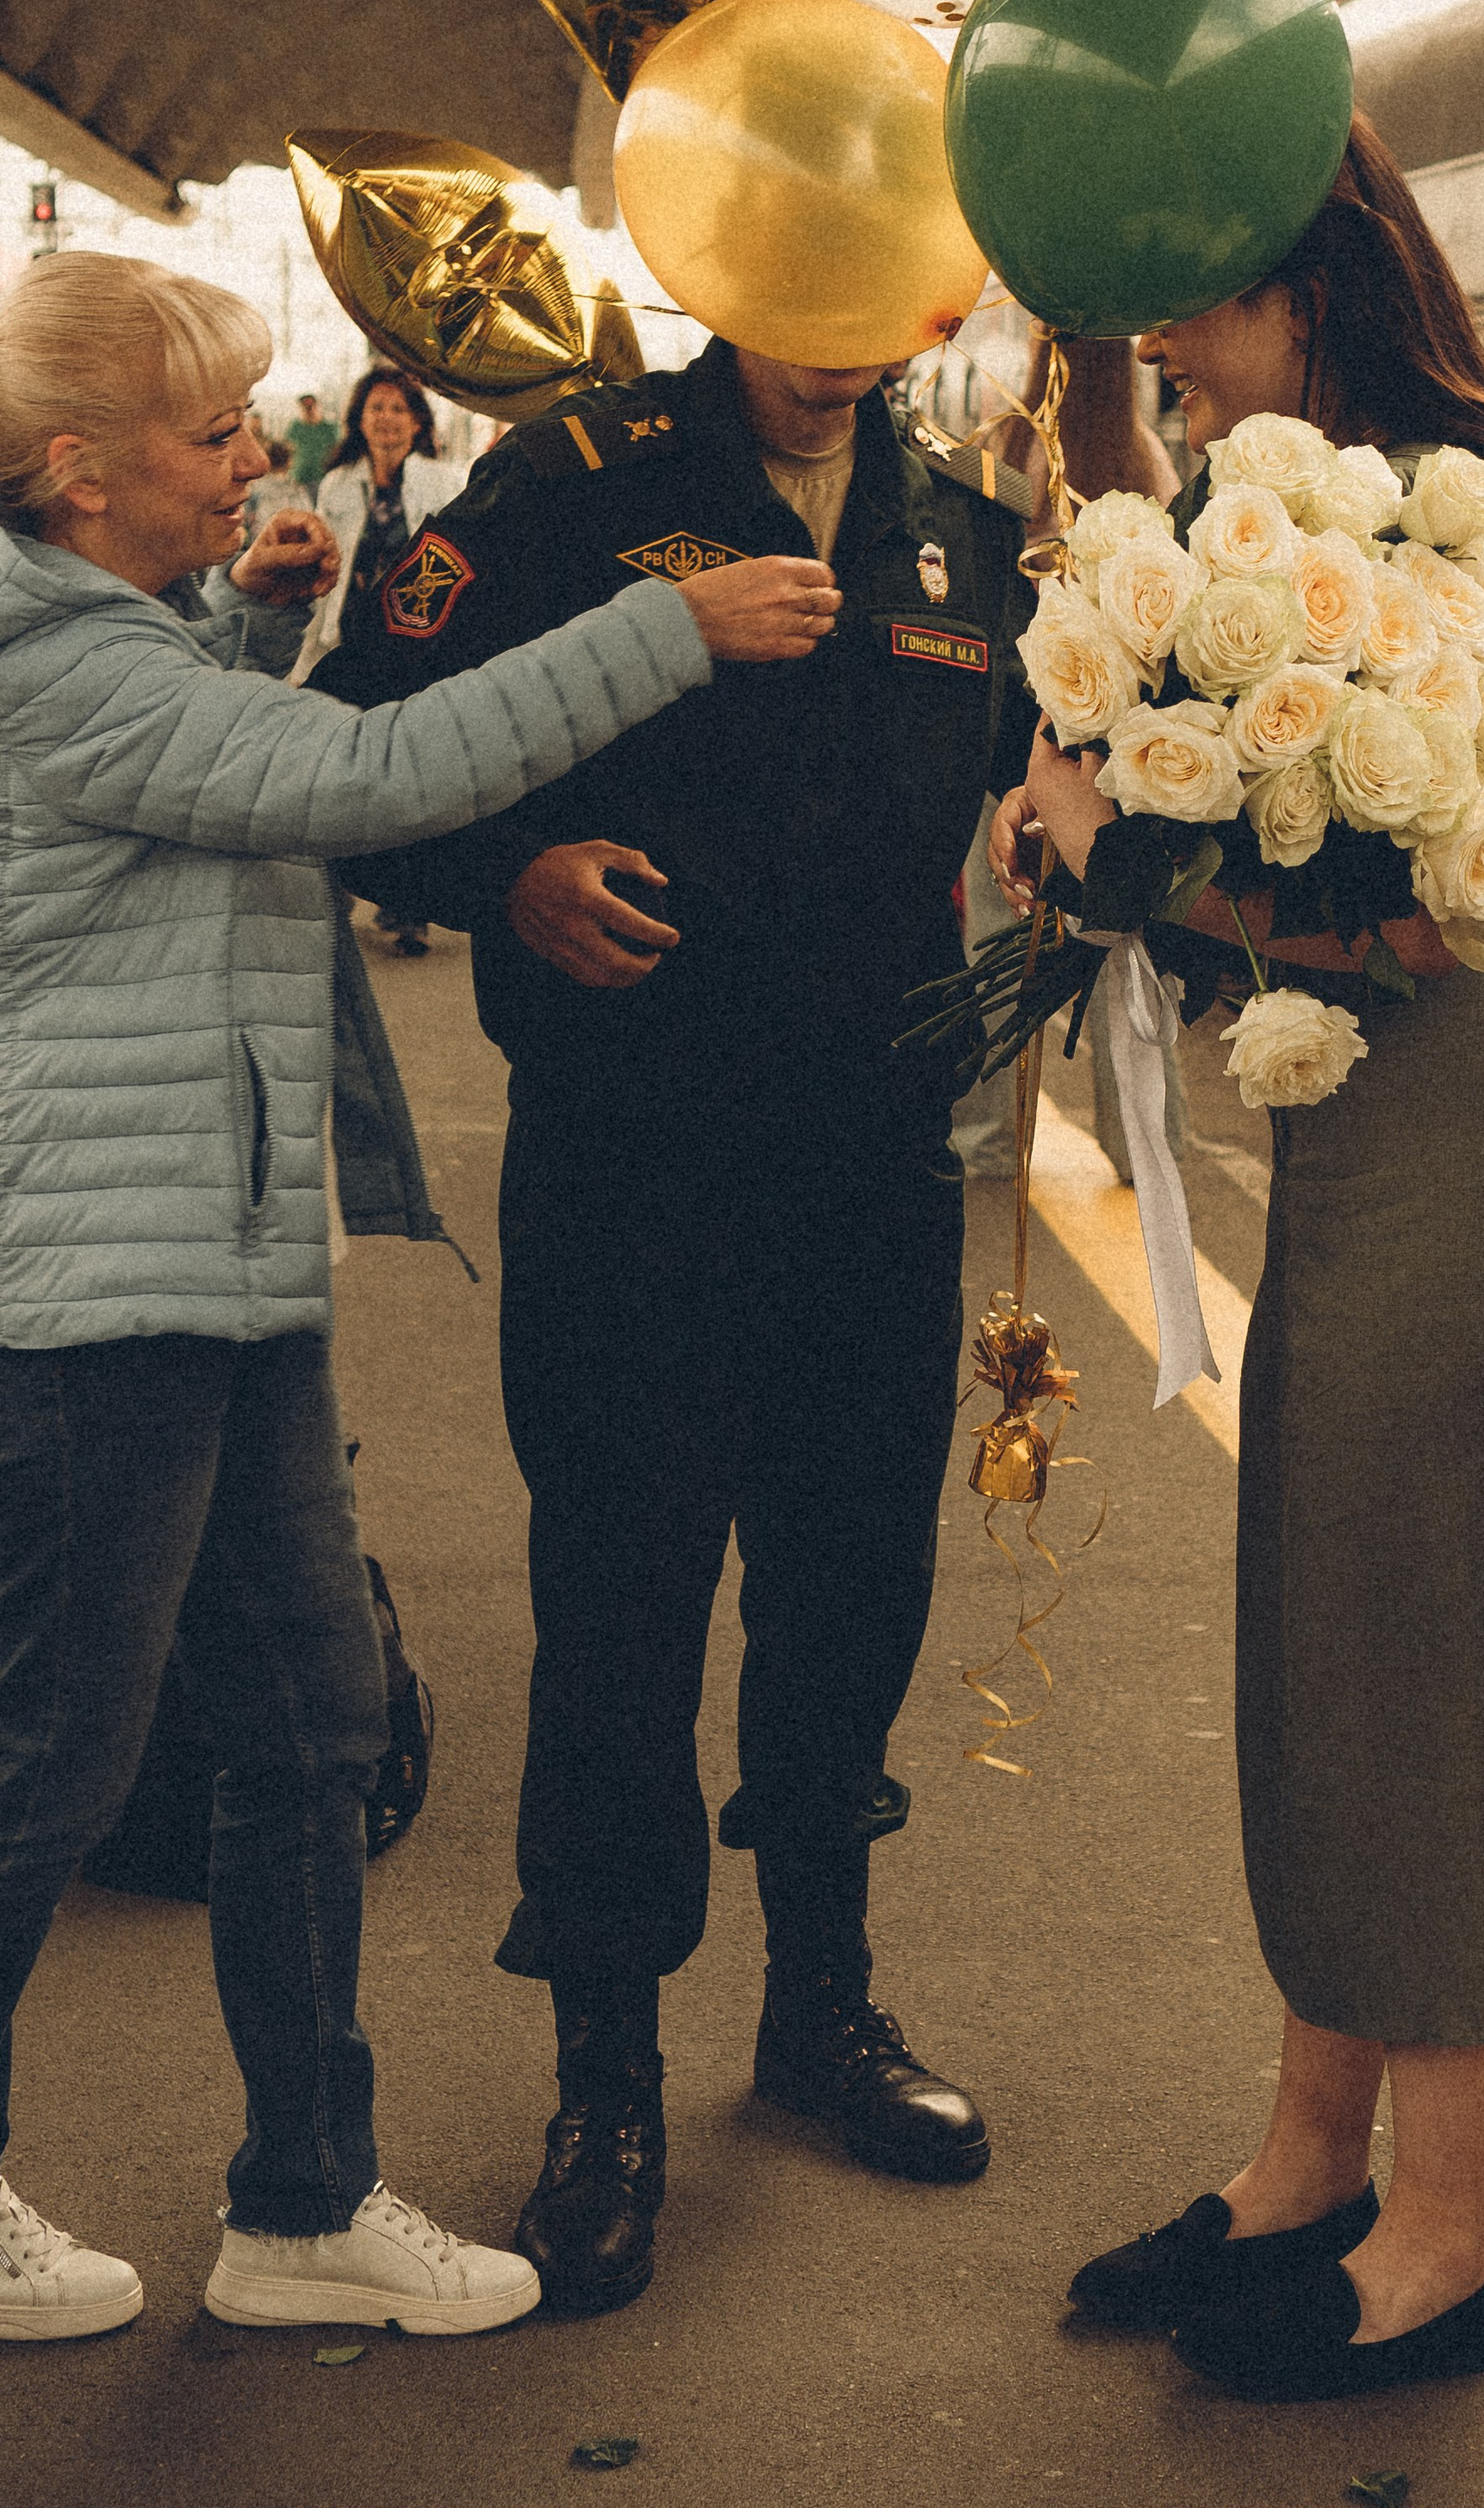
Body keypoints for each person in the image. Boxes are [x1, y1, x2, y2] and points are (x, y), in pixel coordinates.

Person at [992, 118, 1484, 2402]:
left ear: (1305, 296)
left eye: (1199, 330)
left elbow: (1468, 897)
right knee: (1353, 1634)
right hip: (1392, 1145)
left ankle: (1440, 2247)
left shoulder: (1450, 521)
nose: (1183, 377)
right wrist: (1118, 798)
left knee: (1441, 1652)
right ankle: (1303, 2167)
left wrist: (1120, 860)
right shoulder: (1327, 498)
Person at [0, 251, 839, 2343]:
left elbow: (207, 766)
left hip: (224, 1253)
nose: (255, 455)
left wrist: (264, 611)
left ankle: (302, 2199)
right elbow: (361, 785)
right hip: (107, 1292)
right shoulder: (54, 665)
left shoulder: (107, 626)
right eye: (214, 433)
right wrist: (666, 626)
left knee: (312, 1723)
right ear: (79, 469)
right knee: (59, 1755)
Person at [313, 331, 1038, 2318]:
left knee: (846, 1600)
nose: (842, 347)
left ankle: (819, 2011)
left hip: (875, 1176)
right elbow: (355, 754)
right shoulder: (564, 480)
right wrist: (500, 869)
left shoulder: (960, 530)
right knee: (624, 1613)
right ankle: (604, 2085)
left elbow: (1026, 776)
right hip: (635, 1161)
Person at [951, 334, 1184, 1183]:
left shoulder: (997, 446)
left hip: (1009, 747)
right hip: (1102, 754)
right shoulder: (1142, 457)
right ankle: (1147, 1145)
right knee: (1130, 948)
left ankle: (983, 1144)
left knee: (993, 946)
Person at [303, 371, 472, 953]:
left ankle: (408, 906)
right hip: (348, 644)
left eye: (399, 409)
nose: (387, 419)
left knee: (408, 774)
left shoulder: (444, 481)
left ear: (419, 421)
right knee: (342, 773)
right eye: (376, 408)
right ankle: (337, 889)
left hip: (416, 652)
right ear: (359, 419)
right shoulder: (335, 484)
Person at [282, 389, 337, 498]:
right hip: (299, 479)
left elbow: (336, 450)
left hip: (323, 479)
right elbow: (287, 450)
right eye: (305, 407)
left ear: (317, 406)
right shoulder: (295, 427)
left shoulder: (329, 428)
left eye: (311, 406)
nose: (308, 410)